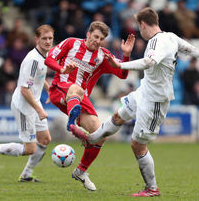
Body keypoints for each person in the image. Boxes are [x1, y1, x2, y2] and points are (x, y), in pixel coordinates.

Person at [71, 7, 199, 197]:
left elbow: (148, 62)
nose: (139, 32)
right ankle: (91, 139)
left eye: (139, 27)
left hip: (156, 100)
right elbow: (195, 50)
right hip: (144, 91)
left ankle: (152, 188)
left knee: (137, 144)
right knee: (118, 116)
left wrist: (120, 64)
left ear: (143, 24)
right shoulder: (171, 37)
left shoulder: (155, 43)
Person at [0, 25, 75, 182]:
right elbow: (24, 90)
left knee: (45, 139)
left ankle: (26, 175)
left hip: (33, 103)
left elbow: (40, 78)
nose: (47, 42)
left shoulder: (45, 57)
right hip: (24, 106)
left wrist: (49, 90)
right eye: (44, 39)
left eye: (50, 39)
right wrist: (39, 110)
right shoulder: (33, 60)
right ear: (36, 39)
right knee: (29, 148)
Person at [44, 21, 135, 191]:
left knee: (101, 133)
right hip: (59, 89)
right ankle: (71, 124)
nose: (97, 41)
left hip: (80, 98)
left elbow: (122, 74)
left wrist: (126, 56)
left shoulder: (103, 56)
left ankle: (81, 171)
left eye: (101, 39)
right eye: (95, 36)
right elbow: (49, 59)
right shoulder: (71, 43)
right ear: (88, 34)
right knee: (76, 89)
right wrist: (62, 69)